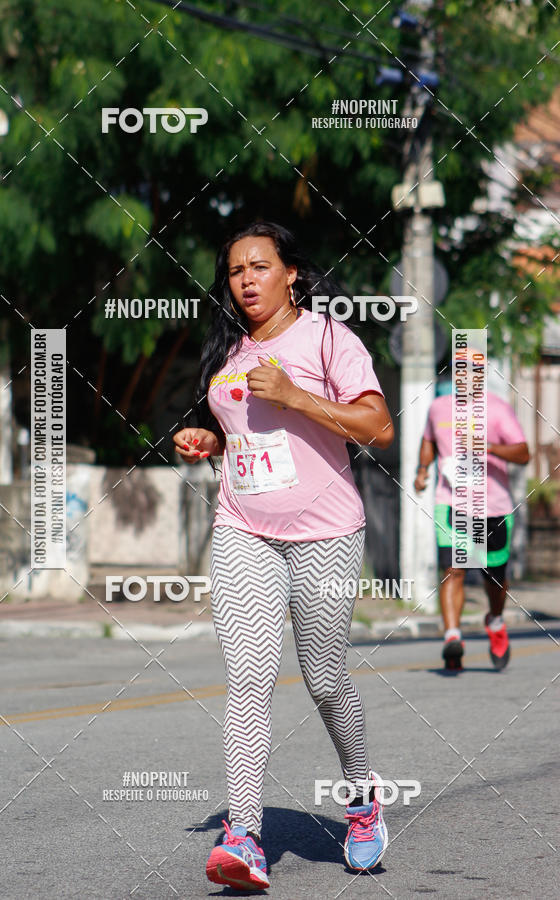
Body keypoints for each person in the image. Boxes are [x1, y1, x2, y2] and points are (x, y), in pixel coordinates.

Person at [173, 221, 394, 890]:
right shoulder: (230, 349)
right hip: (244, 528)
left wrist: (296, 394)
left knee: (325, 679)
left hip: (325, 531)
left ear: (290, 273)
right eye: (236, 269)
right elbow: (248, 432)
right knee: (247, 679)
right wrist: (210, 440)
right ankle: (244, 836)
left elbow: (377, 427)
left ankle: (361, 800)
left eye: (260, 266)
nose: (245, 279)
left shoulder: (329, 337)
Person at [414, 371, 529, 672]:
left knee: (494, 577)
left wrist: (488, 447)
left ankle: (495, 619)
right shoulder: (439, 407)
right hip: (451, 503)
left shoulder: (498, 408)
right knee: (453, 569)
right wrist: (422, 470)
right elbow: (428, 440)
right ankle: (453, 636)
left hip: (493, 507)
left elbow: (523, 452)